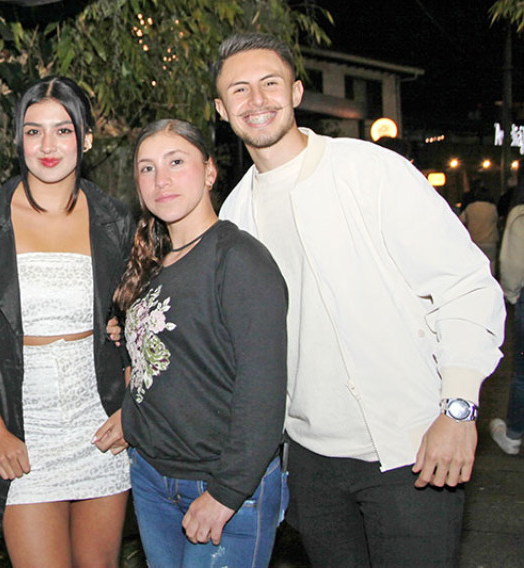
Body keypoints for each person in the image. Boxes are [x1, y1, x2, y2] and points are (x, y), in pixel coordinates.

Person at [213, 32, 505, 567]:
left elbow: (464, 285)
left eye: (269, 83)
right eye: (239, 90)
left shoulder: (370, 171)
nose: (256, 100)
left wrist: (459, 410)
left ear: (296, 92)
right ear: (221, 109)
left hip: (410, 447)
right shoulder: (234, 215)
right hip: (309, 462)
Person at [0, 76, 134, 566]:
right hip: (22, 426)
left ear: (86, 139)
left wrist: (130, 409)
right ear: (19, 139)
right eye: (34, 132)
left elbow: (137, 325)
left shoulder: (115, 219)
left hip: (100, 426)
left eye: (63, 131)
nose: (47, 146)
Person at [114, 119, 288, 567]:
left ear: (209, 172)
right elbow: (162, 359)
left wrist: (226, 492)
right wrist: (132, 417)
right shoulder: (152, 261)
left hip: (222, 486)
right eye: (147, 168)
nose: (161, 180)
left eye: (176, 162)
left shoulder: (239, 258)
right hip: (152, 478)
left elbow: (263, 392)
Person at [492, 191, 524, 454]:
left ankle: (513, 435)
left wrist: (512, 294)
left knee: (522, 373)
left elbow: (513, 264)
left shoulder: (520, 214)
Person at [460, 181, 499, 275]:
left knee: (476, 265)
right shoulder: (492, 208)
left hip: (475, 241)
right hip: (490, 241)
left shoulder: (470, 207)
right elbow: (496, 220)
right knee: (491, 264)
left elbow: (461, 220)